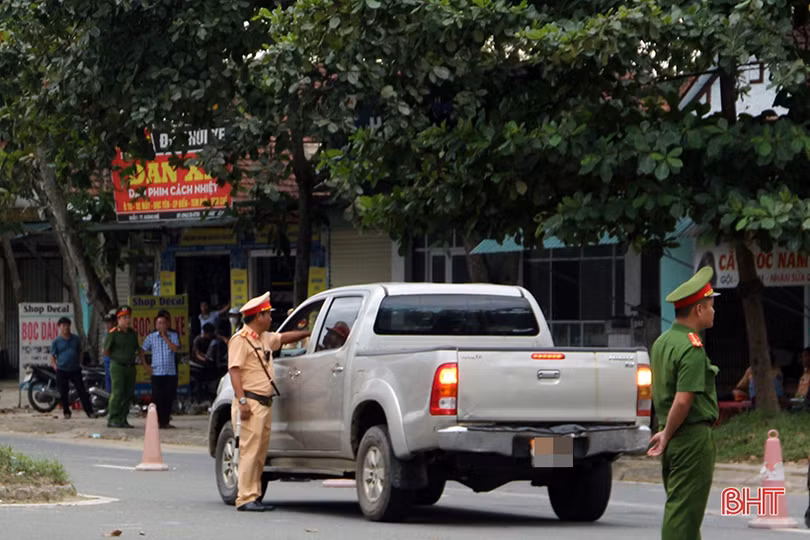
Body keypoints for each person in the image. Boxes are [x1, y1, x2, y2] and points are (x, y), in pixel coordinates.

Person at [648, 266, 720, 540]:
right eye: (711, 305)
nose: (714, 311)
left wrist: (666, 433)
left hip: (673, 436)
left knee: (686, 514)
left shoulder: (662, 342)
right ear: (699, 309)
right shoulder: (691, 347)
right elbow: (684, 399)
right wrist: (666, 435)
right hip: (689, 438)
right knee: (682, 517)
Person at [228, 292, 310, 512]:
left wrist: (310, 332)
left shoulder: (264, 338)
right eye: (267, 314)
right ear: (257, 317)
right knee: (249, 452)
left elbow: (283, 338)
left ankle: (254, 495)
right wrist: (242, 401)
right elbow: (234, 372)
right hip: (251, 403)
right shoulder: (240, 340)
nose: (271, 318)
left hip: (264, 403)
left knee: (259, 452)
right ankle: (245, 498)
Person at [104, 305, 152, 428]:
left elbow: (139, 350)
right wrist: (117, 358)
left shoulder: (132, 334)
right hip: (118, 366)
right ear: (118, 320)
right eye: (124, 318)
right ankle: (113, 418)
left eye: (128, 317)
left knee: (128, 393)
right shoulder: (113, 333)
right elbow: (106, 351)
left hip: (130, 367)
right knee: (117, 392)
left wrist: (145, 365)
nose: (127, 320)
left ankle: (123, 418)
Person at [142, 311, 180, 429]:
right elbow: (142, 350)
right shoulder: (151, 337)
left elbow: (175, 349)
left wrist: (165, 338)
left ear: (167, 324)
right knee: (157, 397)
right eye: (159, 323)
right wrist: (146, 365)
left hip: (170, 371)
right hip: (157, 372)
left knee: (168, 397)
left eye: (164, 323)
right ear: (156, 325)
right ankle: (157, 421)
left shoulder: (173, 336)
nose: (161, 325)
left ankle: (165, 421)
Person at [50, 317, 94, 419]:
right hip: (62, 370)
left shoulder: (76, 339)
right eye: (63, 325)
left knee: (82, 390)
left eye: (67, 325)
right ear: (59, 327)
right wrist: (55, 366)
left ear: (70, 326)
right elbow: (52, 356)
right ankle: (66, 412)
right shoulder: (56, 342)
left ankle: (89, 411)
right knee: (63, 392)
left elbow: (80, 352)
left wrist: (80, 363)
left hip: (75, 369)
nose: (65, 327)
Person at [102, 309, 117, 394]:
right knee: (108, 383)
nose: (107, 325)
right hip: (107, 361)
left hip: (116, 362)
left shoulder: (118, 333)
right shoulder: (106, 333)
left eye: (109, 322)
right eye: (106, 323)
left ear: (115, 322)